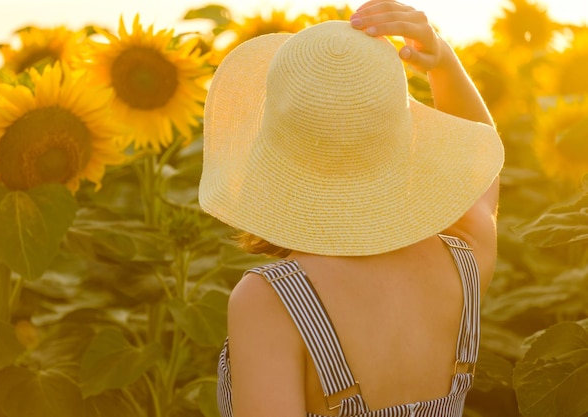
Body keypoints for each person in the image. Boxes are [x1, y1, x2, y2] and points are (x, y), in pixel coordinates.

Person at [198, 0, 504, 416]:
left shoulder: (271, 300)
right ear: (406, 135)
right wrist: (443, 62)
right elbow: (481, 171)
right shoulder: (463, 259)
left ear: (271, 155)